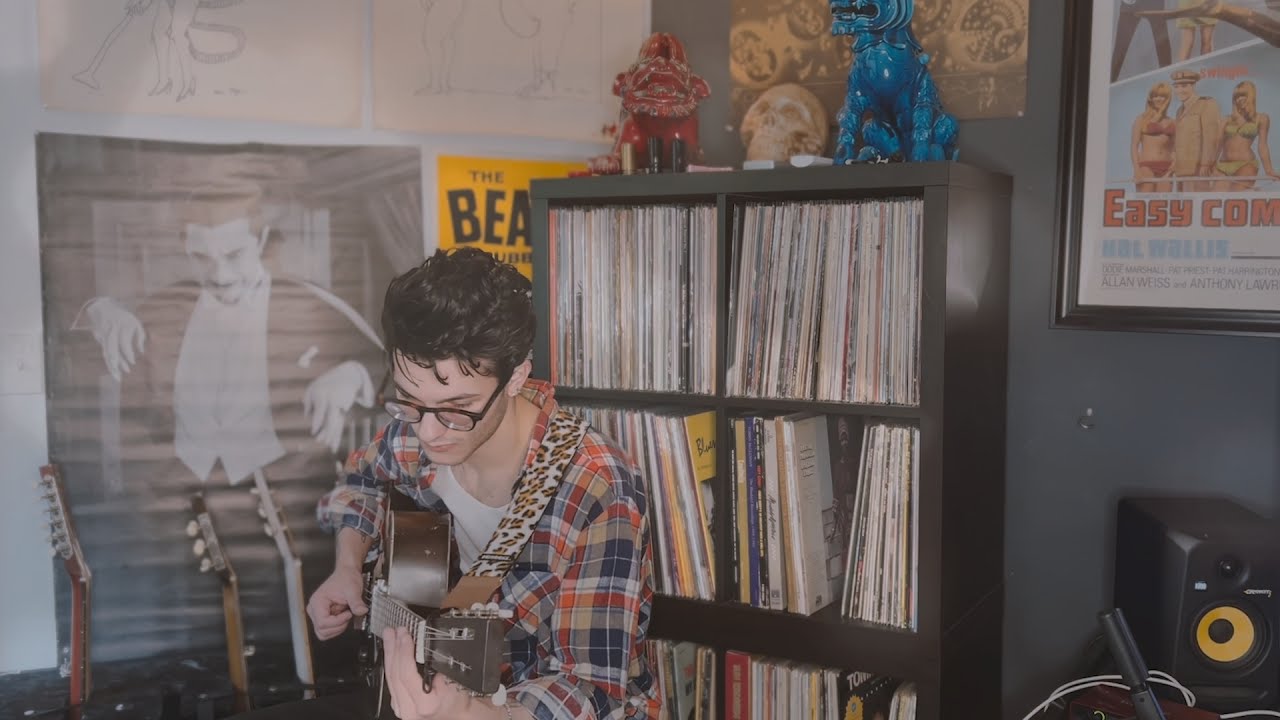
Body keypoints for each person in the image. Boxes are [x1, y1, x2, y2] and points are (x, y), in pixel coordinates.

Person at [230, 247, 662, 720]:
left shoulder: (596, 487)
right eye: (409, 402)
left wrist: (469, 714)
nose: (428, 432)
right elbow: (360, 481)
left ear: (516, 375)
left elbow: (591, 687)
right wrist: (349, 565)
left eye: (456, 409)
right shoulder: (412, 437)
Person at [1213, 80, 1280, 191]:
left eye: (1243, 95)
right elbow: (1217, 143)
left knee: (1237, 198)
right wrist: (1212, 164)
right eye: (1237, 96)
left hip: (1246, 164)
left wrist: (1269, 170)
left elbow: (1262, 146)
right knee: (1216, 198)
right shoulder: (1226, 119)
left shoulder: (1262, 118)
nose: (1239, 99)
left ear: (1251, 96)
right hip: (1223, 165)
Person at [1170, 69, 1221, 192]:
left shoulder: (1207, 104)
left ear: (1193, 85)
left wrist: (1206, 163)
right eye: (1176, 87)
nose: (1180, 90)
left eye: (1184, 86)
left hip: (1198, 168)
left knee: (1197, 203)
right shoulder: (1179, 111)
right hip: (1182, 169)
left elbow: (1211, 137)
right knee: (1184, 205)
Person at [1130, 82, 1176, 193]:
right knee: (1144, 203)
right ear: (1150, 98)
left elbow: (1174, 149)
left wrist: (1172, 169)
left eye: (1163, 96)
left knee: (1164, 205)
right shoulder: (1141, 119)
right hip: (1146, 167)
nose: (1159, 99)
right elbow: (1134, 146)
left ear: (1168, 99)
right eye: (1155, 96)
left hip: (1167, 168)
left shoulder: (1172, 122)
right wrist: (1136, 170)